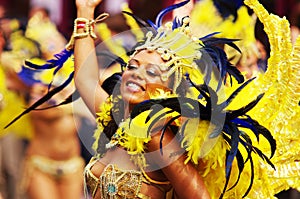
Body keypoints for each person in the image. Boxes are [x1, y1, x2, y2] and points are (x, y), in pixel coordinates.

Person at [70, 0, 288, 198]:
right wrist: (85, 10)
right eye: (132, 66)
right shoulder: (118, 120)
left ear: (170, 90)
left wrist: (157, 134)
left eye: (152, 72)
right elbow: (86, 81)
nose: (136, 74)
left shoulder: (160, 136)